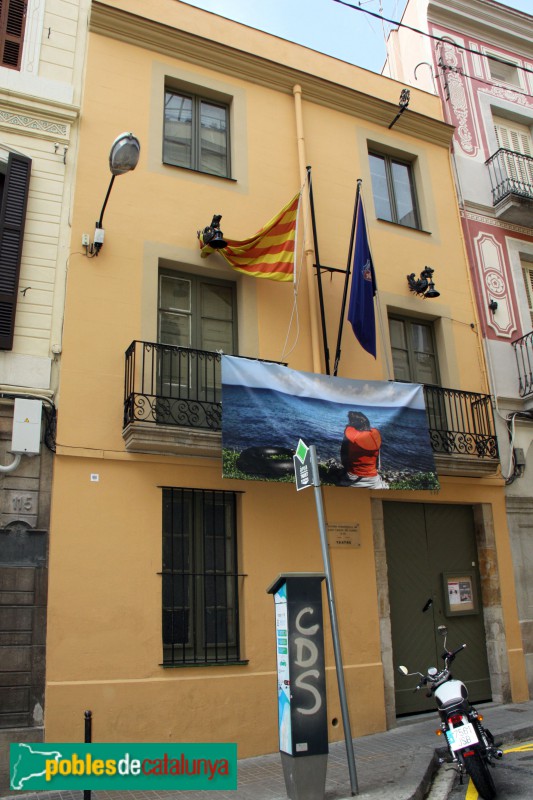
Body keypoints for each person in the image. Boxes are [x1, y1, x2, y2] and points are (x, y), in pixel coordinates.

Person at [339, 411, 388, 489]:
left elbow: (344, 459)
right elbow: (378, 465)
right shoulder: (374, 439)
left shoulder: (349, 438)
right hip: (373, 481)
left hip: (352, 479)